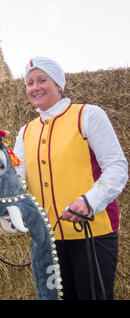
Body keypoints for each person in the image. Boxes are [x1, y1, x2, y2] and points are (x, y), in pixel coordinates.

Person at [13, 56, 128, 300]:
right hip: (47, 239)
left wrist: (88, 202)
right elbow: (17, 179)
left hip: (92, 233)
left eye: (42, 80)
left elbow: (117, 168)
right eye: (29, 83)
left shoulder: (88, 115)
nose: (35, 87)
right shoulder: (25, 132)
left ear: (58, 84)